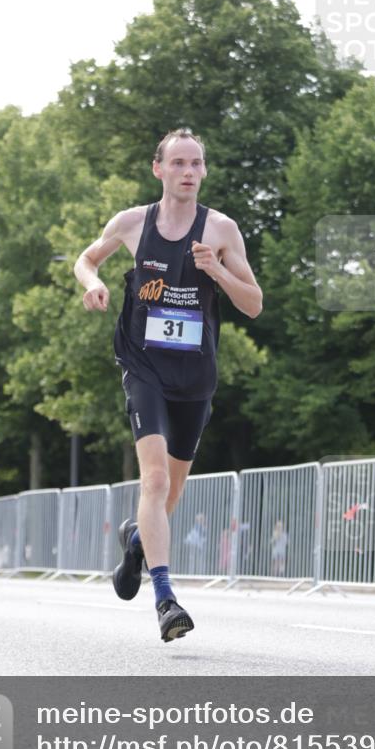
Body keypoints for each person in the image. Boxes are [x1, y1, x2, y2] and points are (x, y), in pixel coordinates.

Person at [74, 128, 262, 642]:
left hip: (195, 376)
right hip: (144, 368)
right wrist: (94, 284)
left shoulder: (221, 230)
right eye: (177, 162)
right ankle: (165, 599)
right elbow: (86, 259)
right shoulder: (133, 223)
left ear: (203, 171)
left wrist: (217, 271)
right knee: (153, 482)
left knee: (172, 493)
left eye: (196, 163)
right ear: (158, 169)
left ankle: (136, 542)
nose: (188, 171)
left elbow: (254, 303)